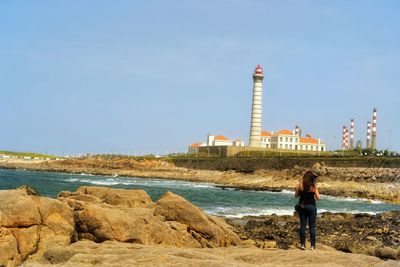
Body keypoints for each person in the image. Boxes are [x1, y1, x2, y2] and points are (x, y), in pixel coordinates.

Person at [295, 170, 320, 251]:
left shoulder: (300, 185)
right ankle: (312, 246)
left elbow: (296, 196)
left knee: (303, 226)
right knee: (312, 227)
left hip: (302, 208)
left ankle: (303, 245)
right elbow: (318, 198)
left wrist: (298, 190)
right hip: (312, 207)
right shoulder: (313, 186)